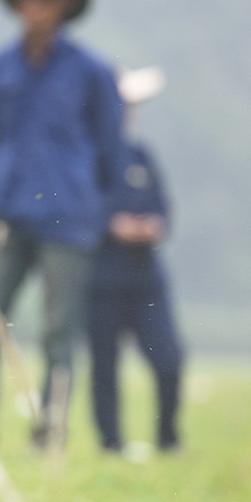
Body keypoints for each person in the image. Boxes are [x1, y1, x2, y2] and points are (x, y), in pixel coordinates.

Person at [0, 0, 125, 448]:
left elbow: (111, 150)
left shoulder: (93, 72)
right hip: (11, 211)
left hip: (69, 218)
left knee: (58, 334)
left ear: (65, 5)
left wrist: (96, 212)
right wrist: (2, 193)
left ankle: (50, 429)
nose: (34, 6)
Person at [86, 67, 185, 453]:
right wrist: (111, 225)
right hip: (100, 281)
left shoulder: (142, 156)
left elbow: (164, 210)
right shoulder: (85, 159)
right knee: (105, 369)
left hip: (145, 278)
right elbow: (77, 212)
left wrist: (150, 226)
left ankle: (168, 439)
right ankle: (110, 444)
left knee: (168, 359)